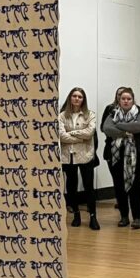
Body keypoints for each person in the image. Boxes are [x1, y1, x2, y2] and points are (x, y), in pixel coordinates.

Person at [103, 87, 140, 229]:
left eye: (128, 99)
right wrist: (126, 132)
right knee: (119, 187)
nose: (125, 101)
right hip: (116, 156)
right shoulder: (112, 112)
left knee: (135, 186)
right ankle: (124, 217)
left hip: (138, 156)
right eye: (123, 98)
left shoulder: (139, 113)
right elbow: (107, 128)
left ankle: (137, 218)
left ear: (133, 100)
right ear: (119, 99)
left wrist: (119, 126)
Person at [59, 87, 100, 231]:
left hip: (86, 155)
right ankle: (76, 214)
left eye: (80, 97)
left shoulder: (90, 115)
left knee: (89, 186)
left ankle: (93, 216)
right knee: (71, 187)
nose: (77, 99)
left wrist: (72, 133)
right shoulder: (62, 116)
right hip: (68, 156)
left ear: (83, 99)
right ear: (70, 98)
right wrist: (79, 137)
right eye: (74, 96)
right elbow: (61, 135)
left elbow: (89, 133)